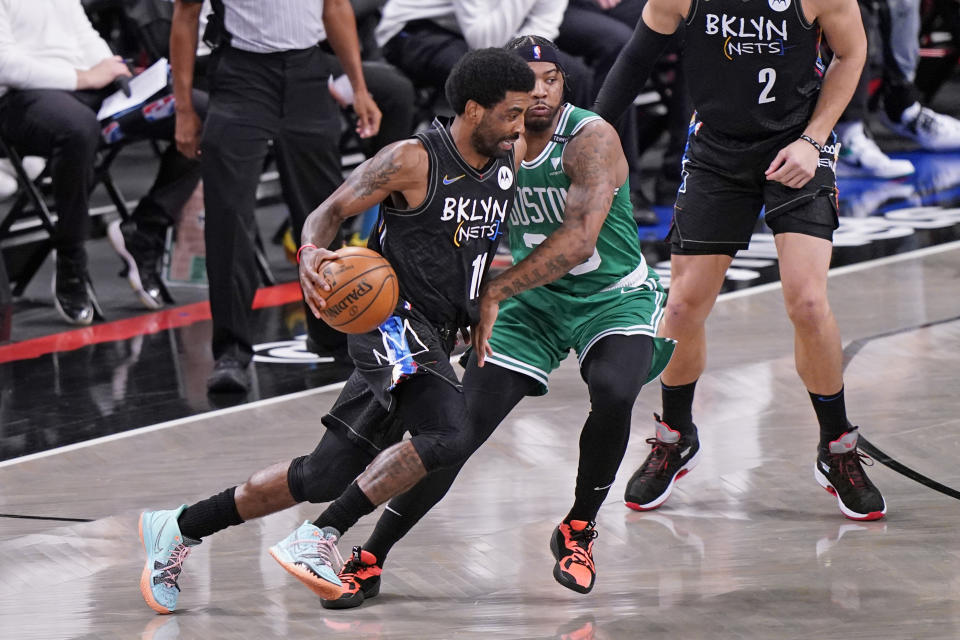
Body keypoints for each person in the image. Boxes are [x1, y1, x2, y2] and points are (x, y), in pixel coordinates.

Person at [136, 47, 535, 614]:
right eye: (511, 113)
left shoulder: (505, 159)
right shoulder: (413, 159)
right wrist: (310, 258)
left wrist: (475, 305)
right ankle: (319, 537)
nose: (520, 126)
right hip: (390, 322)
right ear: (473, 109)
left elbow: (472, 246)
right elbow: (328, 210)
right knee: (448, 434)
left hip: (437, 333)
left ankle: (177, 528)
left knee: (323, 473)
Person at [319, 36, 676, 608]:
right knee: (457, 433)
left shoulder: (589, 139)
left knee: (613, 389)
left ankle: (578, 529)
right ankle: (371, 555)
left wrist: (493, 292)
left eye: (552, 77)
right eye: (528, 80)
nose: (541, 89)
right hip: (530, 306)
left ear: (565, 83)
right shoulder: (494, 144)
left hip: (609, 297)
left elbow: (581, 241)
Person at [592, 0, 887, 520]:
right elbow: (635, 60)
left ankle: (836, 447)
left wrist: (813, 139)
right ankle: (676, 434)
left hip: (797, 144)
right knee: (681, 307)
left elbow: (852, 51)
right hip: (717, 151)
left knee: (809, 302)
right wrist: (586, 135)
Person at [169, 0, 382, 394]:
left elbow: (335, 7)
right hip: (241, 76)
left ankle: (330, 331)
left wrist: (359, 88)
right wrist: (184, 108)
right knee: (228, 215)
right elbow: (185, 15)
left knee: (321, 208)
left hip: (307, 71)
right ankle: (231, 350)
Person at [0, 0, 204, 324]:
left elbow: (82, 32)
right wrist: (83, 77)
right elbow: (5, 64)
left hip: (84, 87)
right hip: (20, 97)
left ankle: (144, 231)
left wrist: (109, 64)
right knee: (79, 129)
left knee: (199, 111)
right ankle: (70, 260)